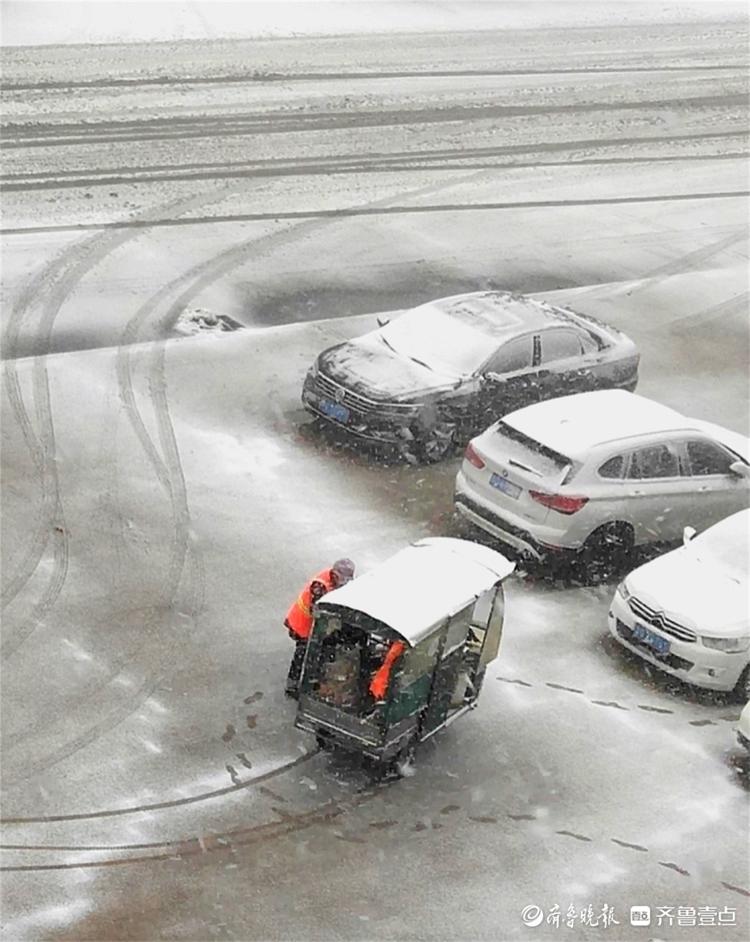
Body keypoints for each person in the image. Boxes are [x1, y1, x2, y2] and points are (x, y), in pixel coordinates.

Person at [283, 558, 355, 698]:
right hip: (301, 624)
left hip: (309, 623)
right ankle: (292, 685)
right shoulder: (319, 587)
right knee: (302, 653)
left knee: (314, 651)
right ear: (334, 574)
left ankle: (312, 677)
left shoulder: (332, 579)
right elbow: (319, 613)